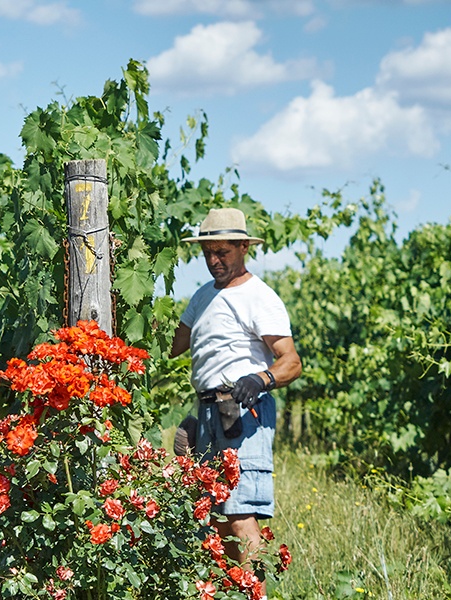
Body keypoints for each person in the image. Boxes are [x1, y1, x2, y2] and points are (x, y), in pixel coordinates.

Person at [170, 208, 301, 597]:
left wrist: (259, 378)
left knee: (241, 512)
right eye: (208, 252)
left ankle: (256, 594)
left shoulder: (260, 297)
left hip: (243, 411)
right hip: (209, 411)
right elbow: (174, 346)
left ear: (244, 247)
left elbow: (291, 363)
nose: (214, 261)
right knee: (217, 516)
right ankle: (234, 592)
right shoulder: (202, 297)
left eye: (223, 252)